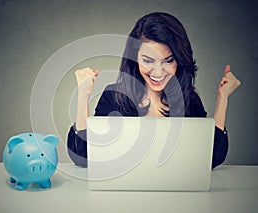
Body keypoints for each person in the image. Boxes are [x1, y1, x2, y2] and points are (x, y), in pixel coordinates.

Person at [67, 12, 241, 169]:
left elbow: (211, 159)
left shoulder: (189, 100)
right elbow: (83, 158)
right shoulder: (114, 97)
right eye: (148, 61)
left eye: (168, 60)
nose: (158, 72)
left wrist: (222, 98)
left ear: (180, 60)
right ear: (134, 58)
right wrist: (83, 95)